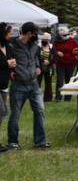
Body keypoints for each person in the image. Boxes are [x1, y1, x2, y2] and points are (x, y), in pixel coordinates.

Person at [5, 21, 51, 149]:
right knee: (15, 114)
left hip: (33, 84)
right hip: (18, 85)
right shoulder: (11, 45)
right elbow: (5, 61)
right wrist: (10, 71)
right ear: (29, 33)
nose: (37, 36)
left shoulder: (34, 45)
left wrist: (37, 66)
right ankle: (12, 142)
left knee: (40, 111)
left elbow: (35, 58)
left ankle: (40, 141)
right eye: (35, 34)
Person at [53, 27, 78, 102]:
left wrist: (75, 53)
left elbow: (77, 49)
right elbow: (53, 49)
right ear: (60, 36)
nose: (67, 36)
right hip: (60, 63)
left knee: (69, 80)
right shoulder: (56, 42)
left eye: (67, 34)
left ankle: (68, 98)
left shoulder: (71, 40)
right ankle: (58, 97)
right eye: (65, 35)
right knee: (60, 81)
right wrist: (57, 52)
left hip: (70, 62)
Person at [0, 23, 13, 152]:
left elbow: (9, 60)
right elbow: (4, 62)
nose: (11, 36)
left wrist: (12, 65)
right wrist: (6, 63)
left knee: (1, 113)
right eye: (9, 33)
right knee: (1, 110)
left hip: (4, 83)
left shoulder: (7, 46)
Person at [38, 33, 55, 102]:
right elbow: (36, 56)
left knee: (48, 83)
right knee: (37, 83)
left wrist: (49, 62)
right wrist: (43, 61)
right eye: (43, 39)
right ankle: (37, 98)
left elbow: (55, 57)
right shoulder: (38, 47)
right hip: (39, 67)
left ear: (49, 40)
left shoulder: (52, 47)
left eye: (45, 39)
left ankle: (48, 99)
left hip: (49, 68)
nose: (44, 40)